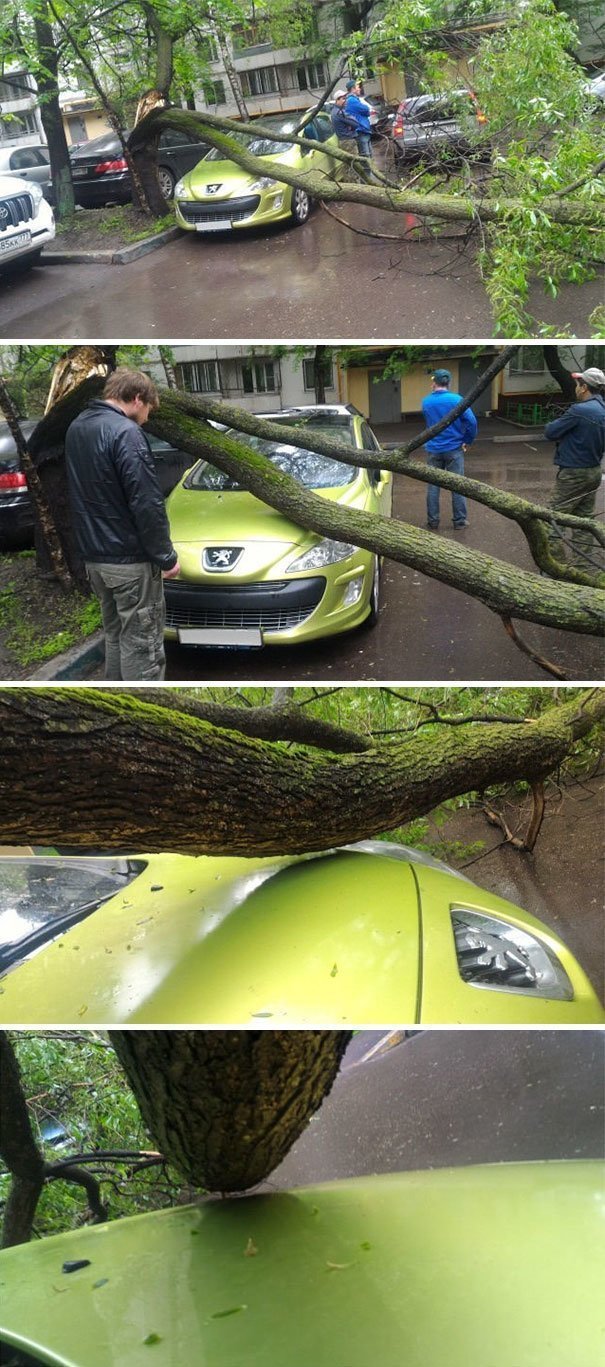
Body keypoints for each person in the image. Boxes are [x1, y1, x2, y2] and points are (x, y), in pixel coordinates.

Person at [65, 367, 180, 681]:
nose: (147, 418)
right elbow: (146, 502)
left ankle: (116, 691)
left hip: (96, 560)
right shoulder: (126, 433)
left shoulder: (77, 427)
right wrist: (166, 557)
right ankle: (143, 708)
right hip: (129, 561)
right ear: (138, 398)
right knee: (143, 647)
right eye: (148, 411)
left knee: (115, 636)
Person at [543, 367, 605, 567]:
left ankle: (555, 566)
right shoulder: (602, 410)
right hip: (594, 470)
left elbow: (551, 432)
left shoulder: (580, 410)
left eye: (578, 384)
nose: (576, 387)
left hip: (573, 473)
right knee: (584, 521)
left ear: (585, 387)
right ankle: (582, 567)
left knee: (550, 519)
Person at [422, 368, 478, 529]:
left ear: (434, 383)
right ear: (448, 382)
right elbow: (472, 422)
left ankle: (433, 521)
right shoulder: (457, 400)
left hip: (433, 449)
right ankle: (459, 521)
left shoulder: (426, 402)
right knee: (457, 485)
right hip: (454, 449)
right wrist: (467, 440)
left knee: (433, 486)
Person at [344, 79, 374, 161]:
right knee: (366, 158)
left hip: (364, 130)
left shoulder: (354, 99)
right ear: (353, 89)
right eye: (358, 87)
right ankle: (368, 173)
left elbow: (367, 111)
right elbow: (366, 109)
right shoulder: (351, 100)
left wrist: (367, 111)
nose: (360, 88)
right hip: (361, 131)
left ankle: (372, 173)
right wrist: (367, 110)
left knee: (369, 157)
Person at [330, 90, 359, 170]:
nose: (345, 101)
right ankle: (354, 182)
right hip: (348, 142)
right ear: (337, 100)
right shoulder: (339, 112)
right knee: (353, 167)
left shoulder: (335, 111)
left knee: (348, 166)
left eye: (345, 98)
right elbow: (356, 123)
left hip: (344, 140)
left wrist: (350, 125)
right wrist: (350, 125)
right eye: (343, 99)